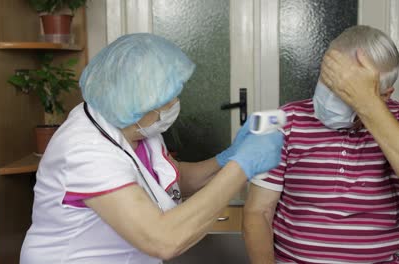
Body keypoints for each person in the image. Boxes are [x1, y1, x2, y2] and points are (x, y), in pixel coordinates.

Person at [20, 33, 284, 264]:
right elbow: (164, 240)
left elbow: (173, 179)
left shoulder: (137, 128)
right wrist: (242, 167)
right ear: (136, 103)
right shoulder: (85, 150)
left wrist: (228, 158)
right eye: (166, 100)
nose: (175, 104)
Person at [243, 25, 399, 264]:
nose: (331, 96)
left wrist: (368, 105)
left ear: (385, 95)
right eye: (328, 81)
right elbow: (258, 213)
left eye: (347, 90)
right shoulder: (283, 119)